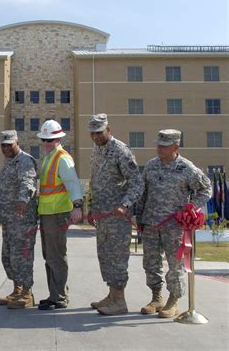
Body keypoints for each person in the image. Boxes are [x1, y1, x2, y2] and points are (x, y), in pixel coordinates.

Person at [136, 129, 211, 318]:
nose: (159, 148)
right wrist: (139, 216)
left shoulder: (187, 168)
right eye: (158, 144)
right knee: (151, 263)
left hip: (174, 226)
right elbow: (143, 193)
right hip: (151, 222)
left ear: (176, 146)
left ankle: (173, 300)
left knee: (175, 264)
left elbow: (205, 190)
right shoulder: (151, 166)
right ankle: (156, 297)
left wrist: (190, 208)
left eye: (164, 145)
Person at [87, 113, 144, 315]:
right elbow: (95, 181)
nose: (96, 136)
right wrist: (91, 208)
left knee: (117, 257)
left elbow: (137, 183)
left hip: (117, 216)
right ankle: (111, 296)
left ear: (108, 130)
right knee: (105, 256)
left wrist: (125, 204)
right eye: (93, 133)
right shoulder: (97, 149)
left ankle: (119, 301)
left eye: (99, 132)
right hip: (102, 216)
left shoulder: (120, 150)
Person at [35, 120, 83, 310]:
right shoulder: (48, 157)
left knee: (56, 256)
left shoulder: (62, 158)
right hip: (47, 212)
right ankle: (55, 293)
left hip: (57, 213)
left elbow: (73, 183)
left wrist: (77, 206)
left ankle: (60, 297)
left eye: (51, 140)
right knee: (49, 256)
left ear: (59, 139)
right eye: (45, 140)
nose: (47, 143)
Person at [0, 130, 38, 309]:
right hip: (8, 220)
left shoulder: (25, 160)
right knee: (9, 256)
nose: (6, 148)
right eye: (3, 145)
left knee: (23, 256)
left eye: (9, 144)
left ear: (17, 143)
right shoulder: (9, 164)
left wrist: (22, 200)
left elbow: (28, 182)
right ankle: (17, 289)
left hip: (22, 220)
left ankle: (27, 294)